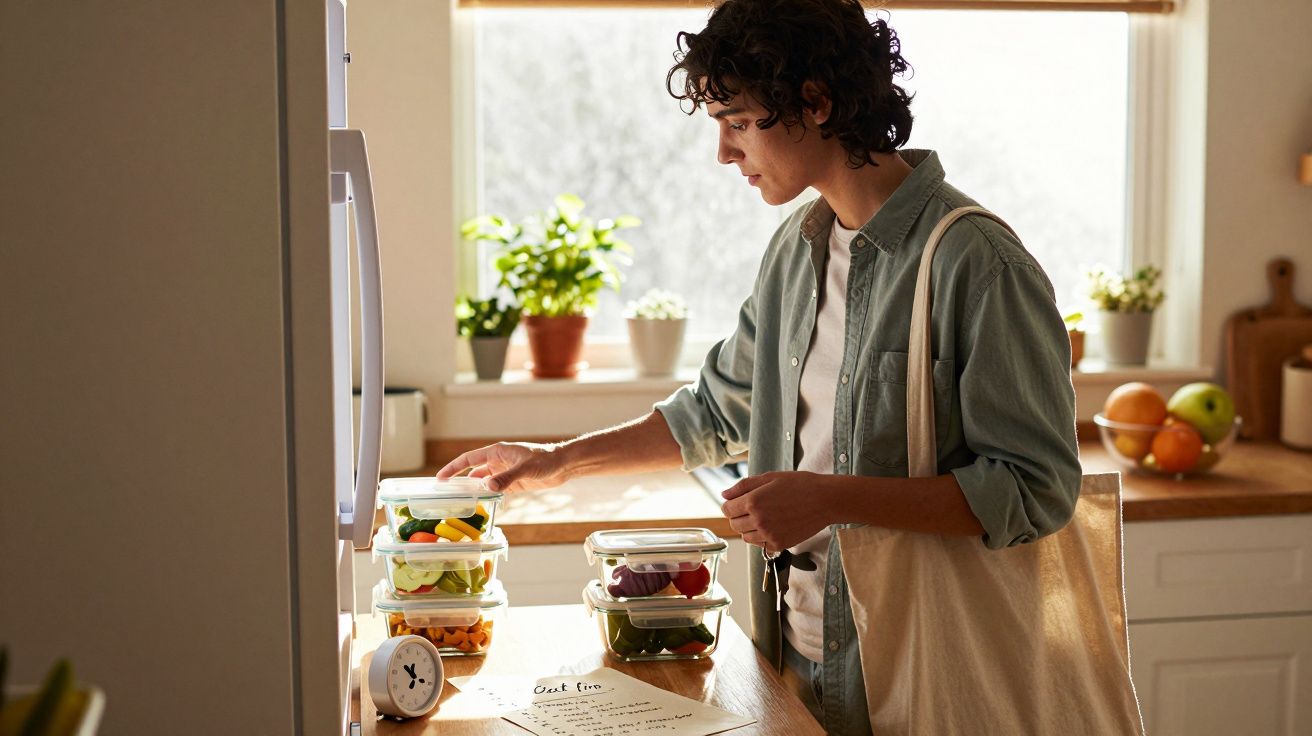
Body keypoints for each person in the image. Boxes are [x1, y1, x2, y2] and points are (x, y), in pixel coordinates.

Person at [438, 0, 1082, 732]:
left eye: (739, 122)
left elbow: (1037, 488)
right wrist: (554, 463)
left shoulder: (979, 263)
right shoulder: (795, 251)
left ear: (816, 101)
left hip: (926, 673)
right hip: (797, 656)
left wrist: (833, 499)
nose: (723, 151)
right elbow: (717, 411)